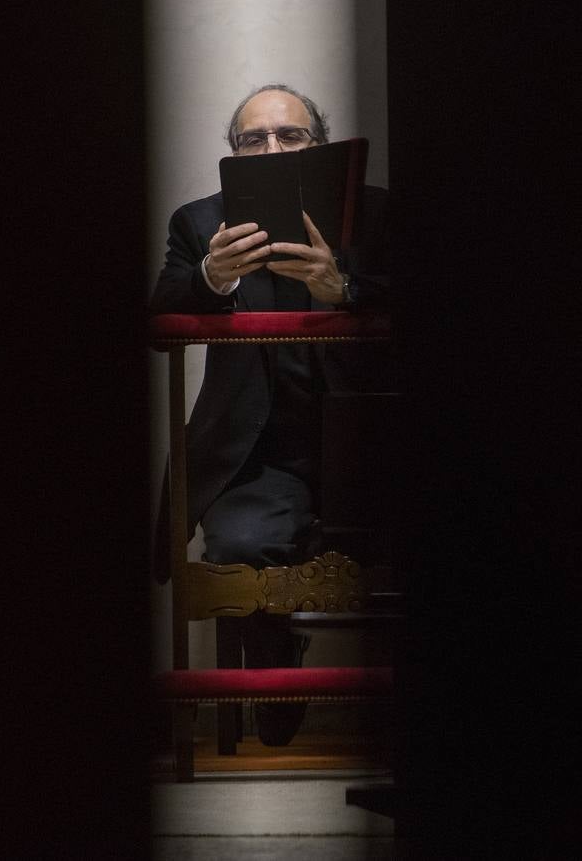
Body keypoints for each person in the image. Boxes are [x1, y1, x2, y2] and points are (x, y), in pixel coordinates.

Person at [150, 84, 390, 746]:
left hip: (368, 442)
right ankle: (274, 662)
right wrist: (212, 274)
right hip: (258, 452)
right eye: (254, 140)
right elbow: (159, 306)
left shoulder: (378, 216)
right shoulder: (201, 222)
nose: (273, 149)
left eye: (291, 136)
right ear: (233, 154)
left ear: (322, 147)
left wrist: (344, 289)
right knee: (239, 546)